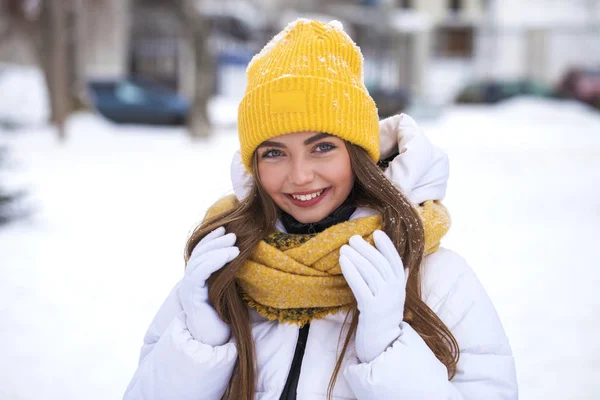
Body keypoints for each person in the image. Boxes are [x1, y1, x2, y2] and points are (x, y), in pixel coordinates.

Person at [124, 19, 518, 400]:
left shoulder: (436, 277)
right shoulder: (223, 266)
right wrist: (199, 347)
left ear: (358, 154)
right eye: (274, 153)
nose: (300, 176)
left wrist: (389, 352)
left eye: (323, 147)